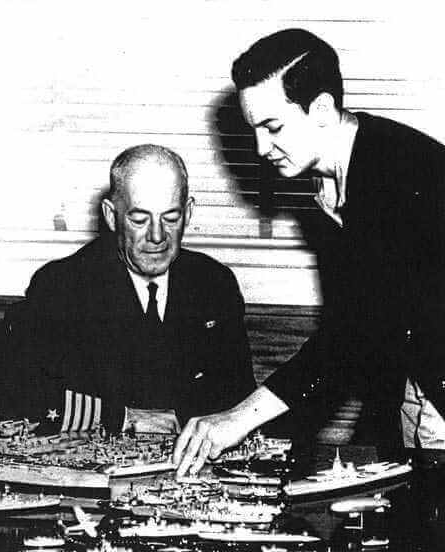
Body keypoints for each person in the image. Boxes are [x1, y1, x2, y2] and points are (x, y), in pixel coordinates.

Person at [173, 28, 445, 474]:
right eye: (253, 130)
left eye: (273, 127)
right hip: (420, 389)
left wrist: (238, 419)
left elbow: (350, 336)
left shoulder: (398, 173)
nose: (261, 148)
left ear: (321, 109)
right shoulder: (325, 183)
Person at [0, 144, 255, 435]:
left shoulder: (213, 284)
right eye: (139, 219)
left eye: (170, 218)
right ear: (111, 216)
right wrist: (124, 418)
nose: (157, 236)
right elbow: (7, 396)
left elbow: (238, 397)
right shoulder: (62, 287)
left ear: (188, 213)